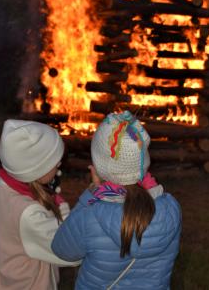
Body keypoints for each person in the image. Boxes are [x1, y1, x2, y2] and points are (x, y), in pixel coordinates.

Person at [51, 111, 181, 289]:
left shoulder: (91, 215)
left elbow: (61, 250)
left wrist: (91, 194)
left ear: (99, 166)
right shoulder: (171, 209)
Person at [0, 119, 78, 290]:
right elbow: (70, 252)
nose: (59, 164)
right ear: (37, 169)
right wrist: (62, 207)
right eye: (55, 161)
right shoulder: (30, 214)